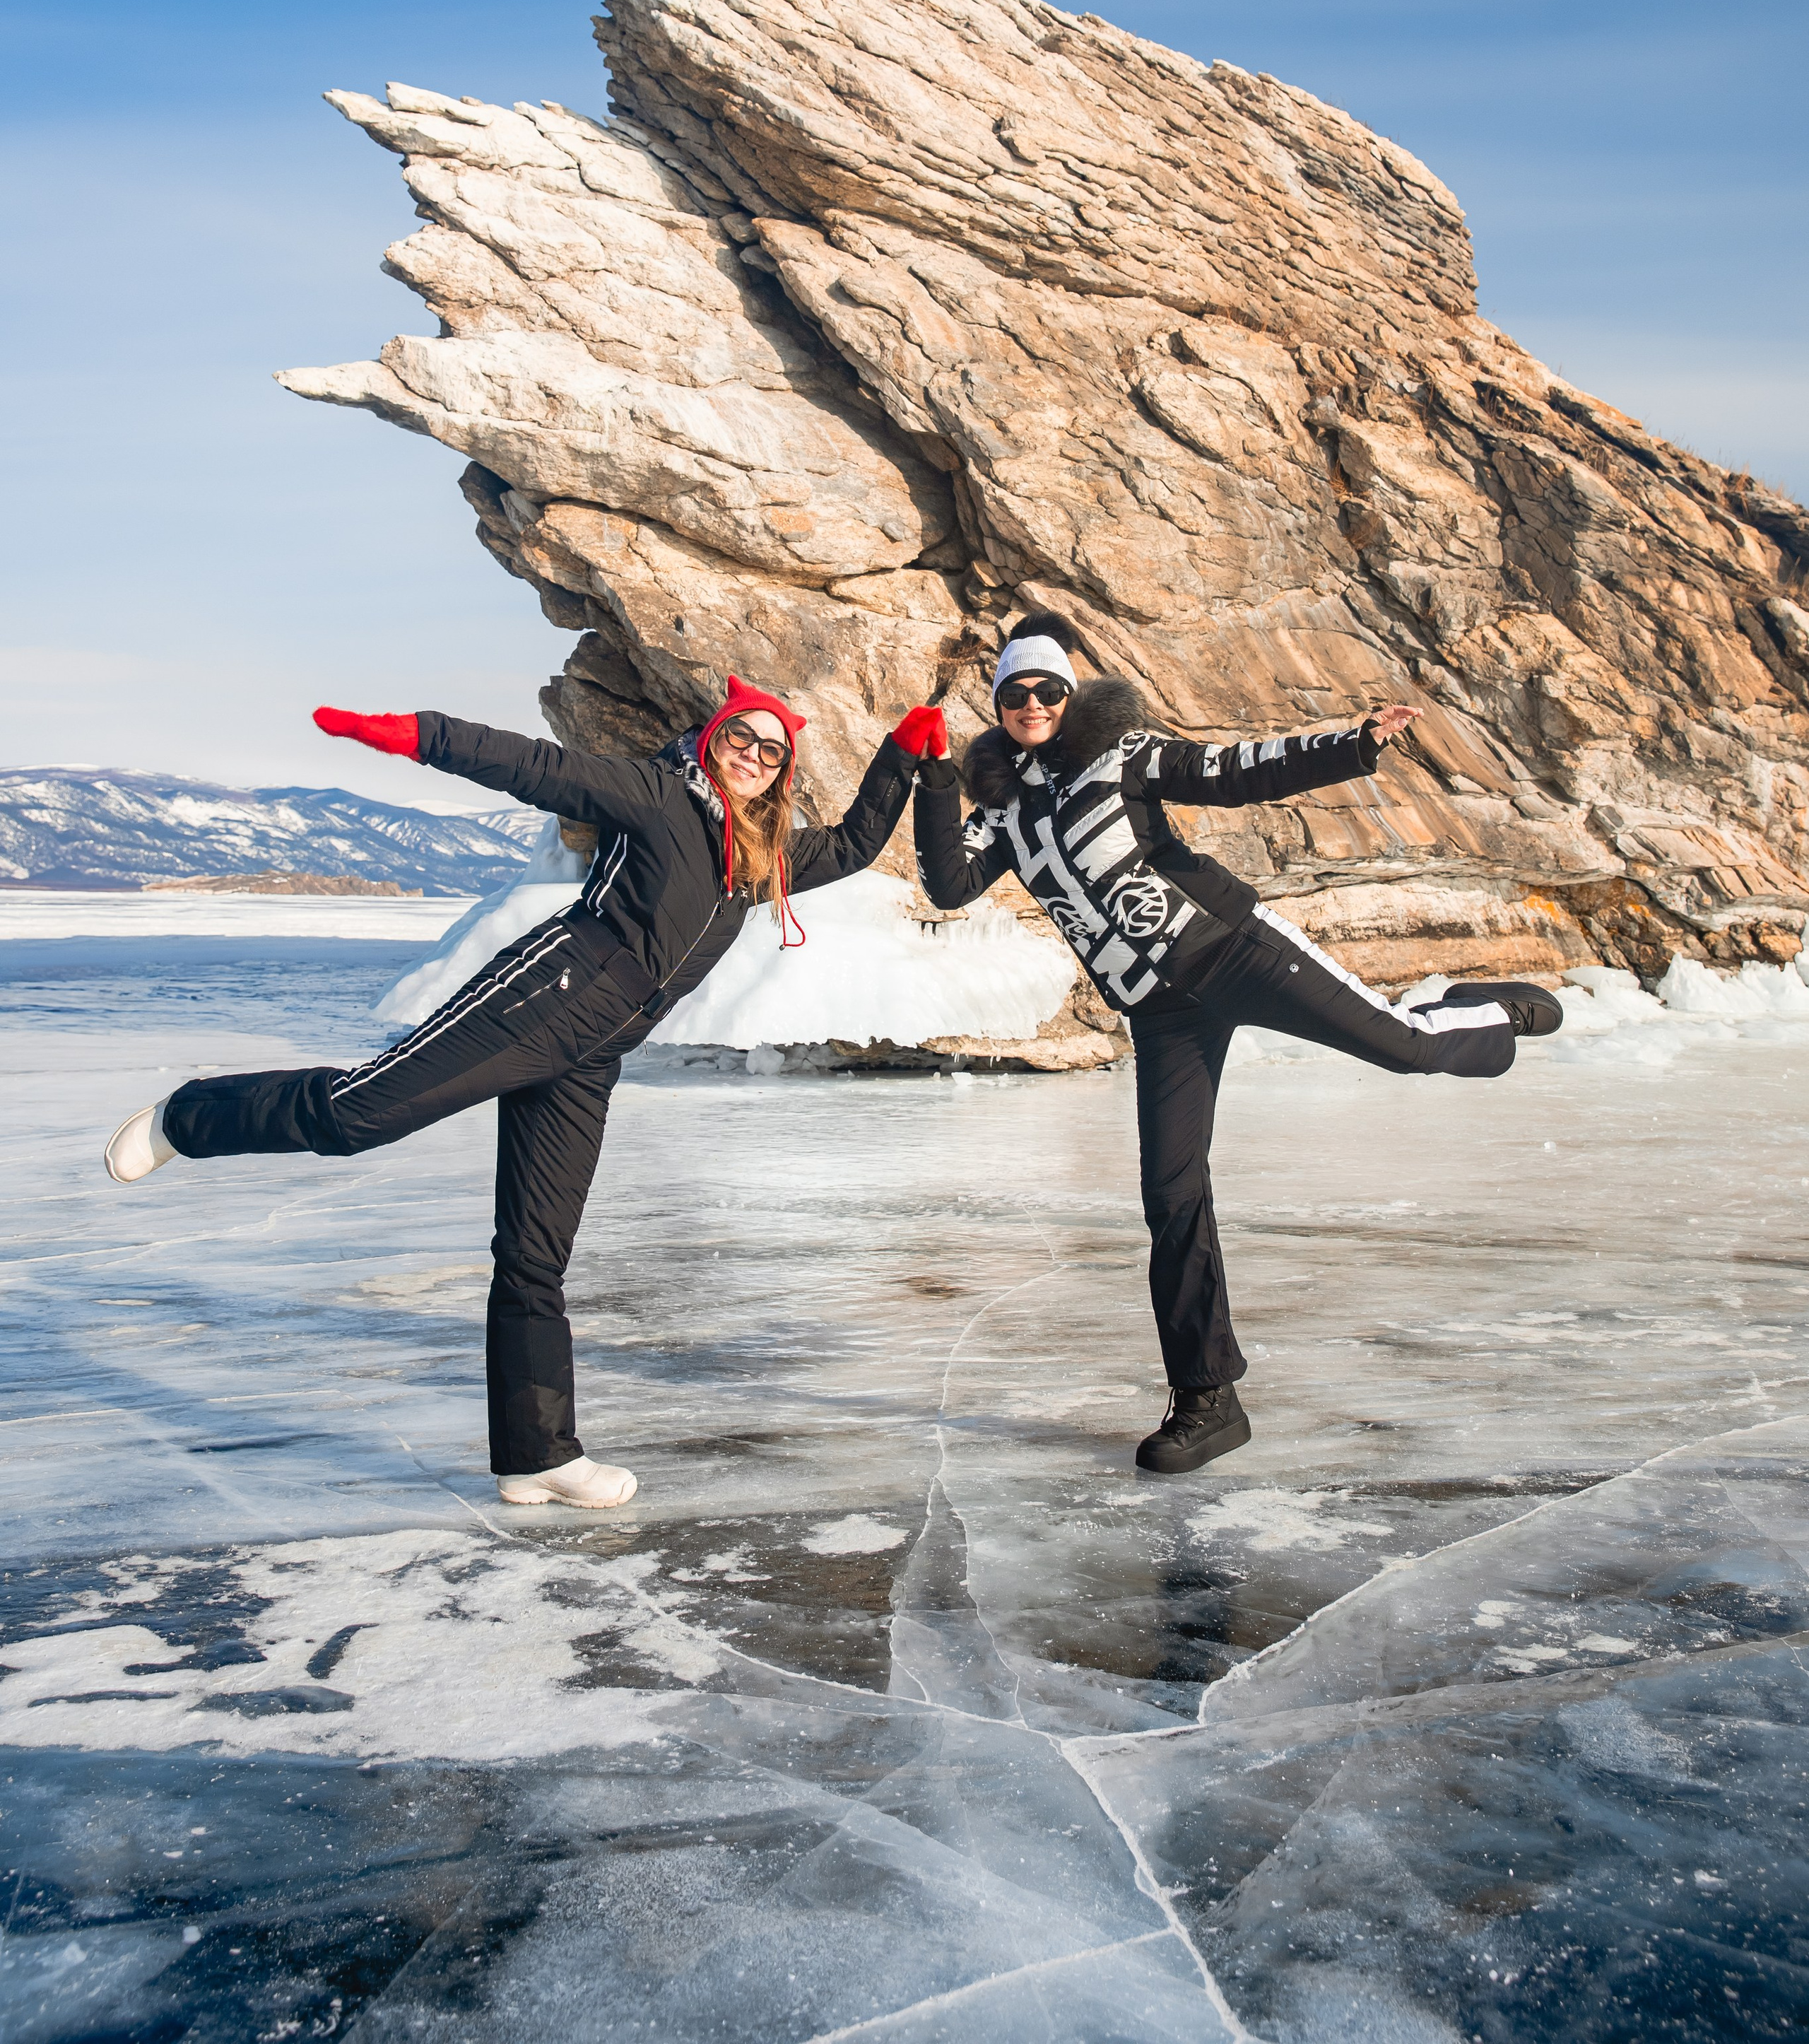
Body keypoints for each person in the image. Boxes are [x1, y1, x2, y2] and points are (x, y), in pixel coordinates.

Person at [105, 679, 950, 1509]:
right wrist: (417, 735)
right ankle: (190, 1117)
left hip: (596, 1054)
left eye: (772, 752)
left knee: (536, 1256)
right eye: (741, 739)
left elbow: (854, 846)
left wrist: (903, 754)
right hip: (540, 998)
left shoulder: (759, 856)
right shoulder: (657, 795)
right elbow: (535, 766)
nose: (753, 760)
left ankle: (537, 1456)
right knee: (360, 1113)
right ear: (711, 738)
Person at [912, 616, 1560, 1477]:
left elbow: (1232, 773)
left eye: (1047, 690)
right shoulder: (999, 809)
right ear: (998, 705)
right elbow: (947, 883)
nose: (1032, 704)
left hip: (1234, 951)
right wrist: (929, 778)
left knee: (1406, 1047)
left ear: (1069, 698)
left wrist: (1354, 746)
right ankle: (1208, 1399)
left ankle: (1482, 1013)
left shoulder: (1123, 754)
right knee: (1172, 1197)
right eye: (1015, 693)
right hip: (1159, 1013)